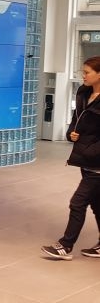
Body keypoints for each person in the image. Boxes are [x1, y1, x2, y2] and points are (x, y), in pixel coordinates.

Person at [41, 56, 100, 260]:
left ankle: (65, 246)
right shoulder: (83, 92)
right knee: (97, 204)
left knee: (78, 202)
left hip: (96, 163)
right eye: (82, 72)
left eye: (87, 72)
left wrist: (89, 151)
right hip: (86, 160)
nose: (83, 76)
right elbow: (76, 119)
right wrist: (71, 133)